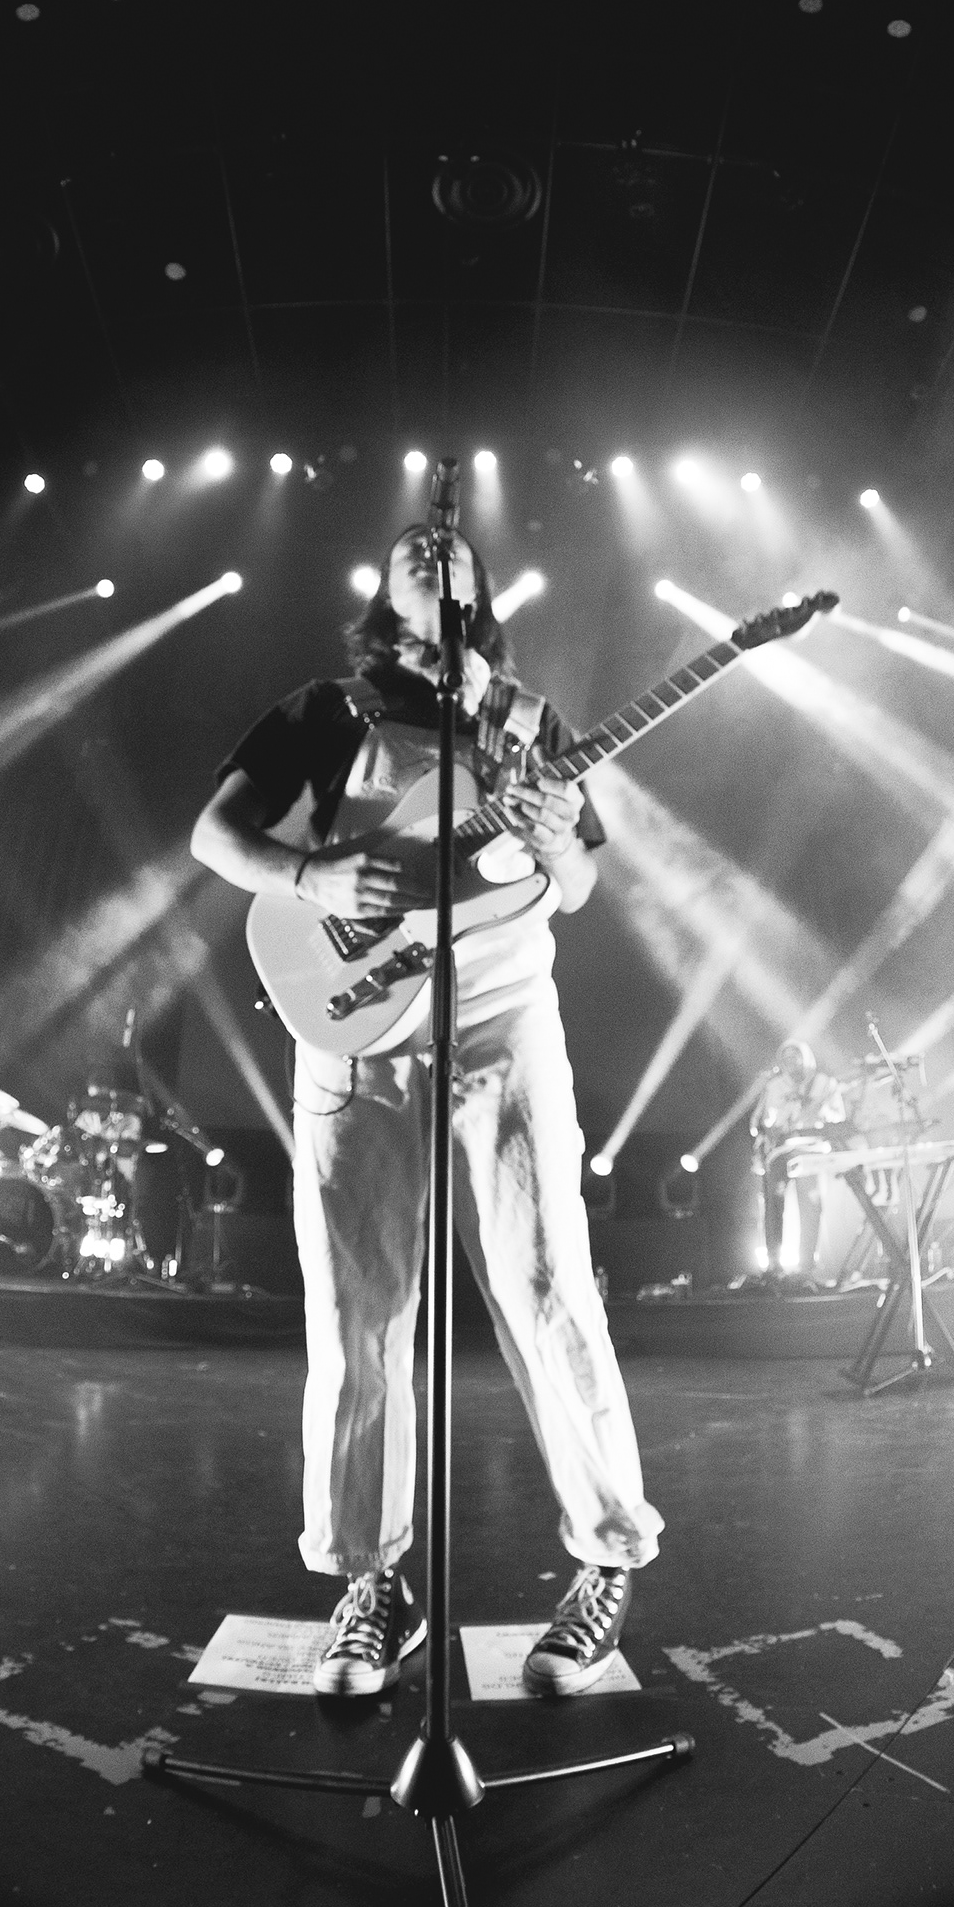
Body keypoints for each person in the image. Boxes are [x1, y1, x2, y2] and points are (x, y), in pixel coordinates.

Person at [190, 521, 662, 1697]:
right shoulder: (329, 708)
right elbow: (216, 836)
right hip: (356, 1024)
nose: (428, 544)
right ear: (383, 592)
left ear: (478, 588)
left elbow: (579, 884)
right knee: (359, 1314)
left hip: (501, 1013)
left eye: (446, 543)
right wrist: (310, 874)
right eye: (409, 541)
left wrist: (557, 845)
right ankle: (369, 1583)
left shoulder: (530, 721)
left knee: (548, 1284)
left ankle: (607, 1559)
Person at [751, 1038, 843, 1284]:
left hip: (810, 1150)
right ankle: (774, 1266)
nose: (791, 1061)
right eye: (786, 1057)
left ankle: (806, 1266)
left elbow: (838, 1117)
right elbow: (759, 1121)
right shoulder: (774, 1086)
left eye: (795, 1056)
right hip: (780, 1151)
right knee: (773, 1207)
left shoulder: (824, 1084)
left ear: (806, 1057)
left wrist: (819, 1111)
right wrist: (770, 1129)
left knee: (811, 1207)